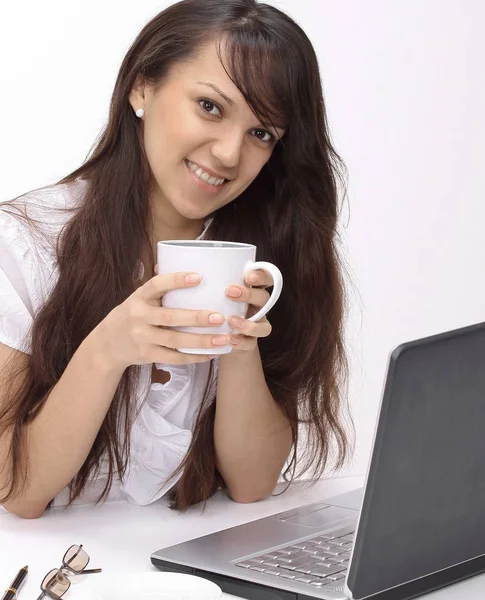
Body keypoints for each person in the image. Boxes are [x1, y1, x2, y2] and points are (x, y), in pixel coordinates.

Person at [0, 0, 351, 519]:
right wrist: (106, 351)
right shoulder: (26, 240)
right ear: (142, 86)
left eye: (262, 134)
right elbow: (16, 489)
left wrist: (237, 338)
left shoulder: (270, 246)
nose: (231, 153)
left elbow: (252, 484)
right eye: (210, 107)